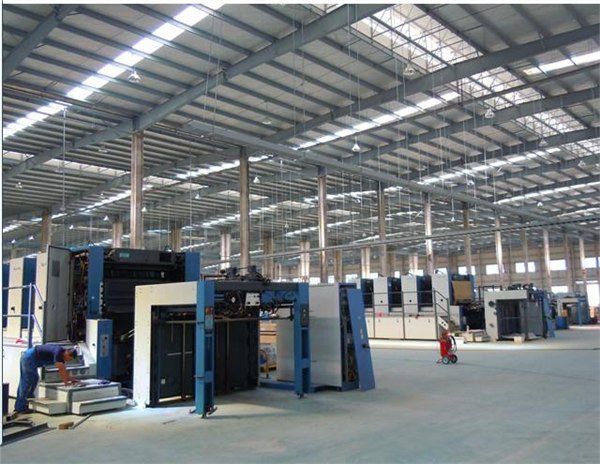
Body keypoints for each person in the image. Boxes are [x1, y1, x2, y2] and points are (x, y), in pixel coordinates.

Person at [14, 344, 79, 415]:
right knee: (26, 381)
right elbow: (61, 370)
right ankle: (20, 407)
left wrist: (71, 379)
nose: (68, 360)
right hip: (29, 357)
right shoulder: (58, 352)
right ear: (67, 354)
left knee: (34, 379)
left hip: (32, 357)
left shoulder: (61, 355)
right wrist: (66, 383)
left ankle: (28, 401)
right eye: (70, 359)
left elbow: (64, 369)